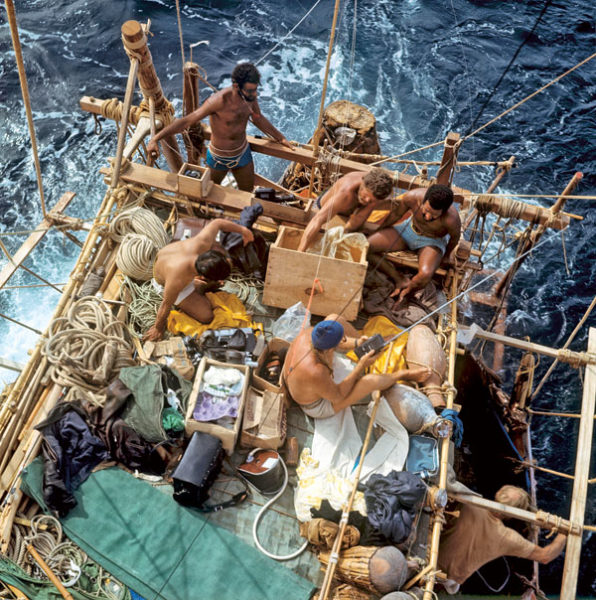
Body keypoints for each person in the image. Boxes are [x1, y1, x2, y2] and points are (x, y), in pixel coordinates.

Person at [146, 62, 293, 192]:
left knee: (247, 193)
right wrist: (155, 139)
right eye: (249, 90)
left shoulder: (250, 97)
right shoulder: (217, 101)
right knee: (209, 192)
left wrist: (281, 138)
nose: (253, 94)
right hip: (218, 158)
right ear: (236, 86)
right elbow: (186, 121)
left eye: (255, 90)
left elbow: (257, 118)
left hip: (242, 155)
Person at [282, 315, 430, 418]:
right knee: (370, 381)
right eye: (342, 341)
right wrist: (360, 366)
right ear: (328, 350)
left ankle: (365, 348)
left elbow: (340, 343)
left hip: (316, 379)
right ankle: (403, 374)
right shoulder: (316, 370)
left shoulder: (309, 334)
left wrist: (358, 343)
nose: (344, 341)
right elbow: (338, 396)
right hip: (317, 405)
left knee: (334, 319)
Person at [438, 485, 567, 593]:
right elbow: (545, 556)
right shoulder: (506, 537)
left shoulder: (469, 501)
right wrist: (564, 532)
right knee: (454, 585)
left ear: (498, 493)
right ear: (513, 515)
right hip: (449, 578)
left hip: (432, 554)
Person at [143, 218, 254, 342]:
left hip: (180, 264)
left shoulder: (202, 243)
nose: (223, 283)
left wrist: (244, 231)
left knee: (228, 265)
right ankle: (196, 290)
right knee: (207, 316)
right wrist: (158, 328)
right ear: (201, 276)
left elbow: (218, 223)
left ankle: (199, 287)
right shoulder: (176, 281)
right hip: (167, 282)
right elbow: (165, 304)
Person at [367, 184, 461, 302]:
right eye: (426, 211)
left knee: (426, 274)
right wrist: (379, 230)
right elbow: (396, 215)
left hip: (432, 242)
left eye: (434, 215)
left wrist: (446, 256)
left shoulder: (452, 219)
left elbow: (454, 239)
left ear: (444, 212)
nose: (427, 217)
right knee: (366, 246)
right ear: (423, 200)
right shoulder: (412, 197)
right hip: (408, 230)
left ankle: (407, 292)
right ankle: (399, 279)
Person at [297, 169, 394, 252]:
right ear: (362, 183)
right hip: (323, 208)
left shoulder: (375, 184)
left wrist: (347, 231)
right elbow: (317, 220)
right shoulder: (346, 194)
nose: (367, 200)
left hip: (350, 212)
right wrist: (300, 251)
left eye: (371, 199)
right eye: (365, 196)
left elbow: (359, 217)